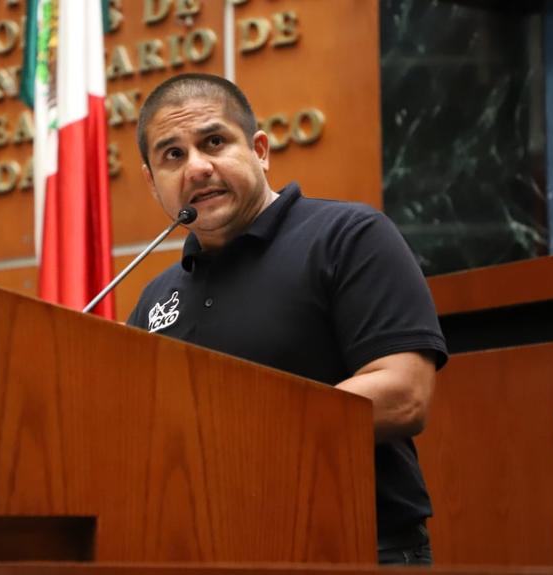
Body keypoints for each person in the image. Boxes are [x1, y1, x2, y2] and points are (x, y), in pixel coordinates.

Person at [126, 73, 448, 565]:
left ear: (259, 150)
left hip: (354, 548)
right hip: (205, 550)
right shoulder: (155, 296)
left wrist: (231, 429)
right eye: (173, 155)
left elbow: (404, 394)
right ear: (153, 182)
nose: (197, 167)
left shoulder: (349, 236)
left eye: (214, 142)